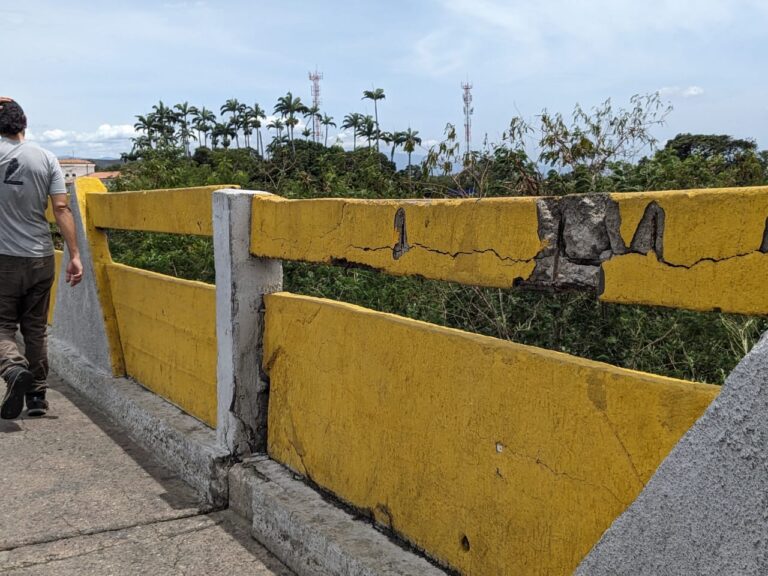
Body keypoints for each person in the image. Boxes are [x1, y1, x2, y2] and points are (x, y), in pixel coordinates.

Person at [0, 97, 83, 419]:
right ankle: (36, 397)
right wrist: (75, 255)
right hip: (40, 256)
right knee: (35, 328)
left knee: (3, 326)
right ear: (24, 124)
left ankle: (12, 367)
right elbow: (61, 208)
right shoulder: (47, 158)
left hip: (4, 258)